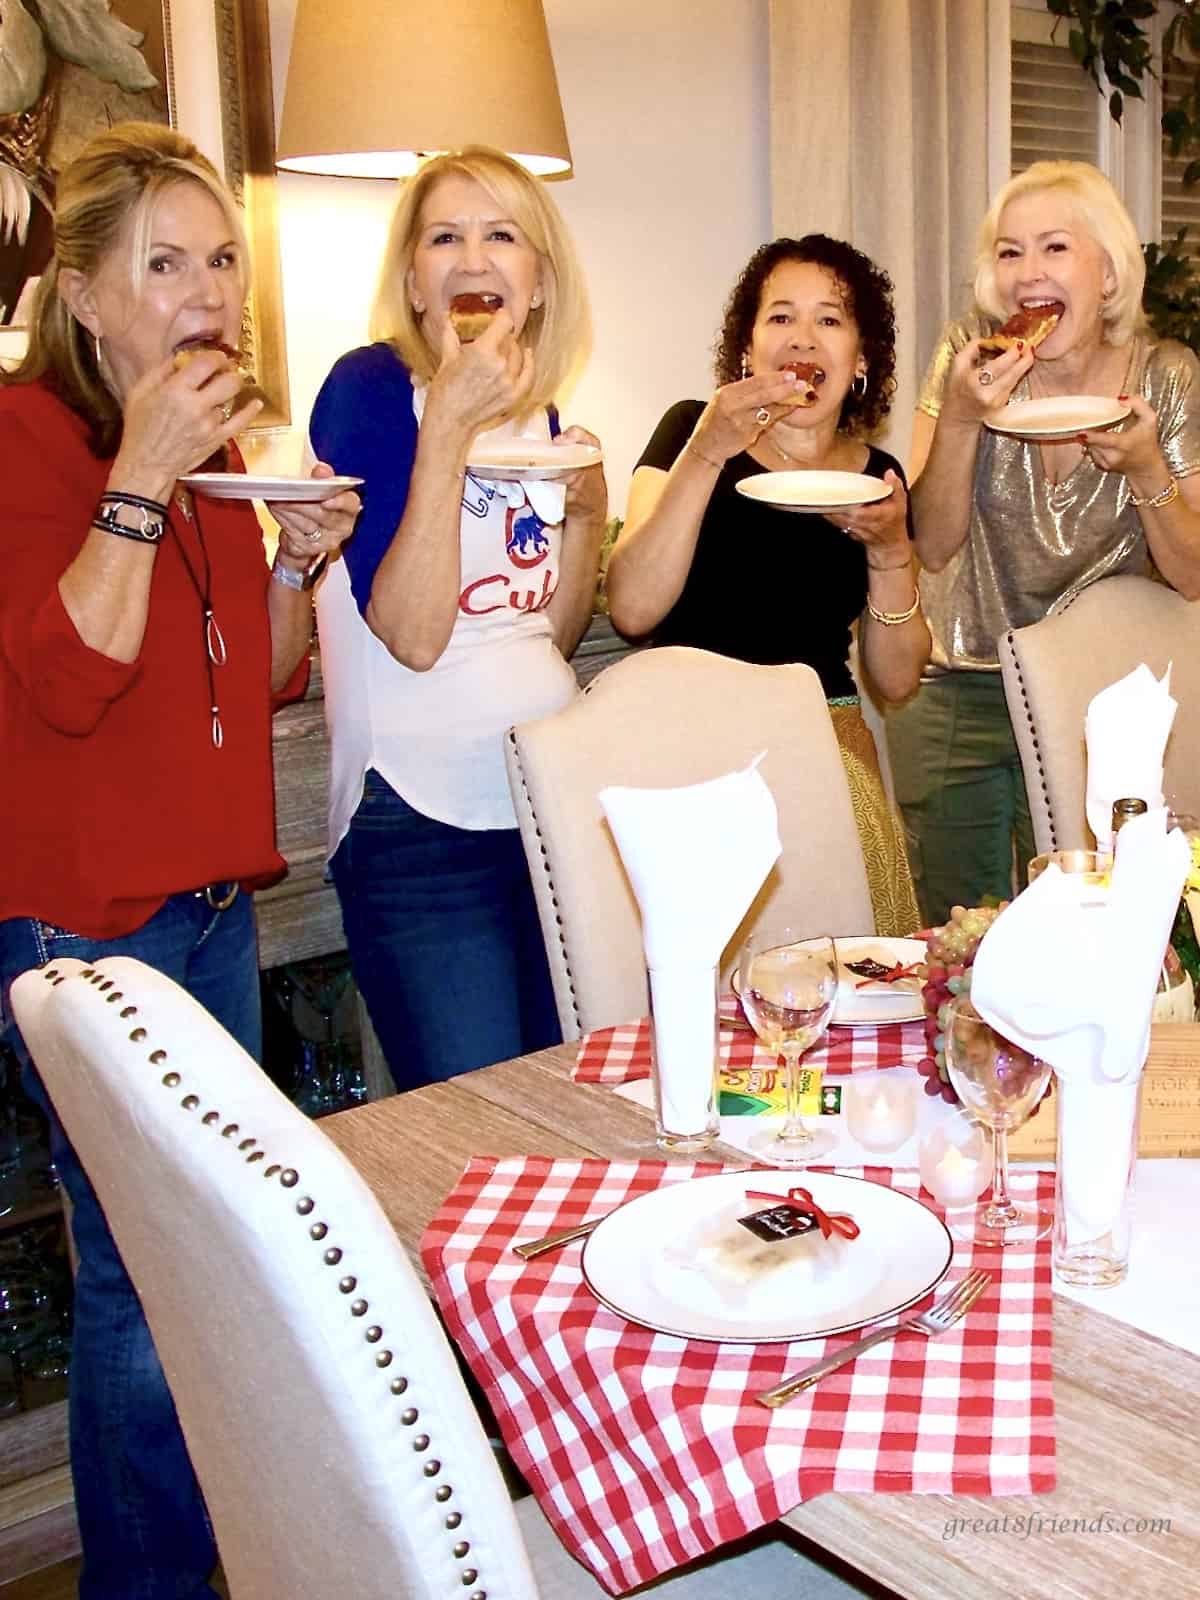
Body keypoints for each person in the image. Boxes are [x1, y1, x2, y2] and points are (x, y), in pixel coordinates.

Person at [0, 122, 359, 1598]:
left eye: (222, 259)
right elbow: (68, 679)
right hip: (88, 937)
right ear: (84, 293)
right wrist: (139, 478)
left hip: (212, 920)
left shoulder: (217, 457)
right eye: (166, 262)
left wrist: (290, 563)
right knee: (145, 1287)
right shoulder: (25, 441)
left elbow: (251, 685)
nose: (209, 290)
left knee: (198, 1280)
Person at [309, 146, 607, 1091]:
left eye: (501, 236)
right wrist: (447, 425)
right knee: (480, 1123)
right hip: (419, 823)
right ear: (412, 277)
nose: (473, 259)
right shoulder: (369, 390)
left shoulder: (543, 418)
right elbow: (413, 631)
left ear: (538, 281)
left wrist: (590, 515)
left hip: (551, 802)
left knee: (573, 1106)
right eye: (445, 237)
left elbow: (538, 634)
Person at [887, 160, 1200, 925]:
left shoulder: (1166, 376)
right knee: (964, 940)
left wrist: (1148, 469)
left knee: (1094, 930)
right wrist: (961, 416)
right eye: (1009, 251)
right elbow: (930, 543)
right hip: (960, 685)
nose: (1029, 273)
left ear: (1108, 272)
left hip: (1106, 705)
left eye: (1054, 248)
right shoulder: (971, 356)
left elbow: (1192, 574)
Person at [606, 234, 928, 936]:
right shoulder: (691, 431)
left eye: (830, 320)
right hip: (691, 745)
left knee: (849, 978)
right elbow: (632, 607)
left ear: (862, 360)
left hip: (827, 747)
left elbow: (897, 682)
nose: (802, 337)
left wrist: (890, 549)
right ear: (747, 350)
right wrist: (710, 451)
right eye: (780, 316)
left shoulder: (876, 475)